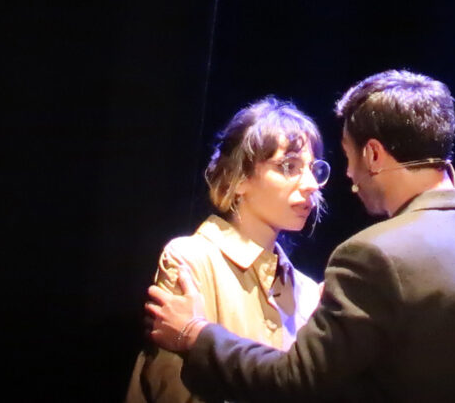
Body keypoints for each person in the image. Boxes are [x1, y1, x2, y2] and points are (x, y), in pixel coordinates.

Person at [146, 70, 455, 403]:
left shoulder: (372, 258)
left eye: (339, 160)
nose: (335, 179)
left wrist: (194, 334)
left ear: (374, 155)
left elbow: (296, 381)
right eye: (288, 167)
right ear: (238, 177)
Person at [125, 97, 330, 402]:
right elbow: (173, 390)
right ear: (240, 178)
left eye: (313, 169)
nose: (311, 184)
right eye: (289, 167)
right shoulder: (192, 258)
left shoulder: (308, 292)